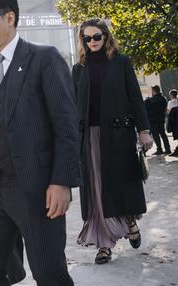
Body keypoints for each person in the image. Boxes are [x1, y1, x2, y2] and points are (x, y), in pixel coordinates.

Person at [0, 1, 80, 286]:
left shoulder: (44, 58)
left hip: (39, 191)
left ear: (10, 17)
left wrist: (62, 181)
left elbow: (67, 126)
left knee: (49, 276)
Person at [72, 19, 153, 265]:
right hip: (89, 138)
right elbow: (71, 106)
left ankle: (129, 221)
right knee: (96, 189)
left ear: (106, 36)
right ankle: (104, 245)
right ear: (83, 41)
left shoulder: (121, 62)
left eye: (97, 36)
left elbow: (135, 99)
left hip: (118, 135)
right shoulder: (78, 69)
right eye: (87, 38)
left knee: (119, 184)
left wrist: (145, 130)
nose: (93, 41)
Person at [146, 85, 170, 154]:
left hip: (153, 120)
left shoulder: (150, 100)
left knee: (156, 135)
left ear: (153, 91)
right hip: (161, 119)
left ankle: (159, 149)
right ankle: (168, 149)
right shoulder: (163, 99)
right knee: (163, 134)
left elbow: (146, 108)